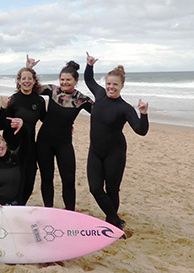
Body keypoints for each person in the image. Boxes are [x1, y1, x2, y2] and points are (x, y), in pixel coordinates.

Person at [85, 53, 149, 230]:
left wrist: (143, 114)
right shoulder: (99, 94)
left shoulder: (124, 108)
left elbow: (140, 130)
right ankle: (115, 220)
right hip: (95, 152)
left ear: (122, 85)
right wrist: (89, 65)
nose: (111, 87)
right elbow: (89, 80)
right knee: (95, 189)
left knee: (112, 190)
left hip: (115, 153)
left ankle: (111, 223)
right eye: (108, 84)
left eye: (115, 84)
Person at [34, 60, 93, 210]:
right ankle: (49, 209)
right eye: (62, 79)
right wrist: (29, 68)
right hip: (44, 142)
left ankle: (70, 212)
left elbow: (101, 112)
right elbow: (29, 88)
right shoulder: (52, 90)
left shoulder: (82, 99)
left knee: (68, 180)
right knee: (47, 178)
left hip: (64, 143)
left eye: (68, 79)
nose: (64, 82)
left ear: (75, 80)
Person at [0, 64, 46, 205]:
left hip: (29, 146)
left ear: (34, 81)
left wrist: (67, 123)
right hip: (12, 147)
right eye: (23, 78)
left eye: (29, 78)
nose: (26, 81)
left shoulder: (39, 101)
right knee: (15, 180)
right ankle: (13, 205)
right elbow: (0, 125)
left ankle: (21, 205)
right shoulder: (13, 99)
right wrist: (3, 108)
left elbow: (45, 119)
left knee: (29, 179)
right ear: (18, 81)